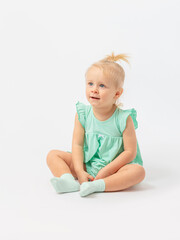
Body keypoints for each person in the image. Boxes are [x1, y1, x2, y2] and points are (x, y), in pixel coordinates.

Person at [46, 52, 146, 197]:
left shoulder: (124, 119)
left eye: (102, 86)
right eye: (90, 83)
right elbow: (77, 145)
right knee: (53, 155)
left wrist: (106, 171)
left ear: (117, 94)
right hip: (88, 164)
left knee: (138, 172)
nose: (94, 89)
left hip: (115, 168)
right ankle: (68, 181)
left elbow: (130, 153)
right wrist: (80, 171)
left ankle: (98, 185)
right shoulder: (83, 114)